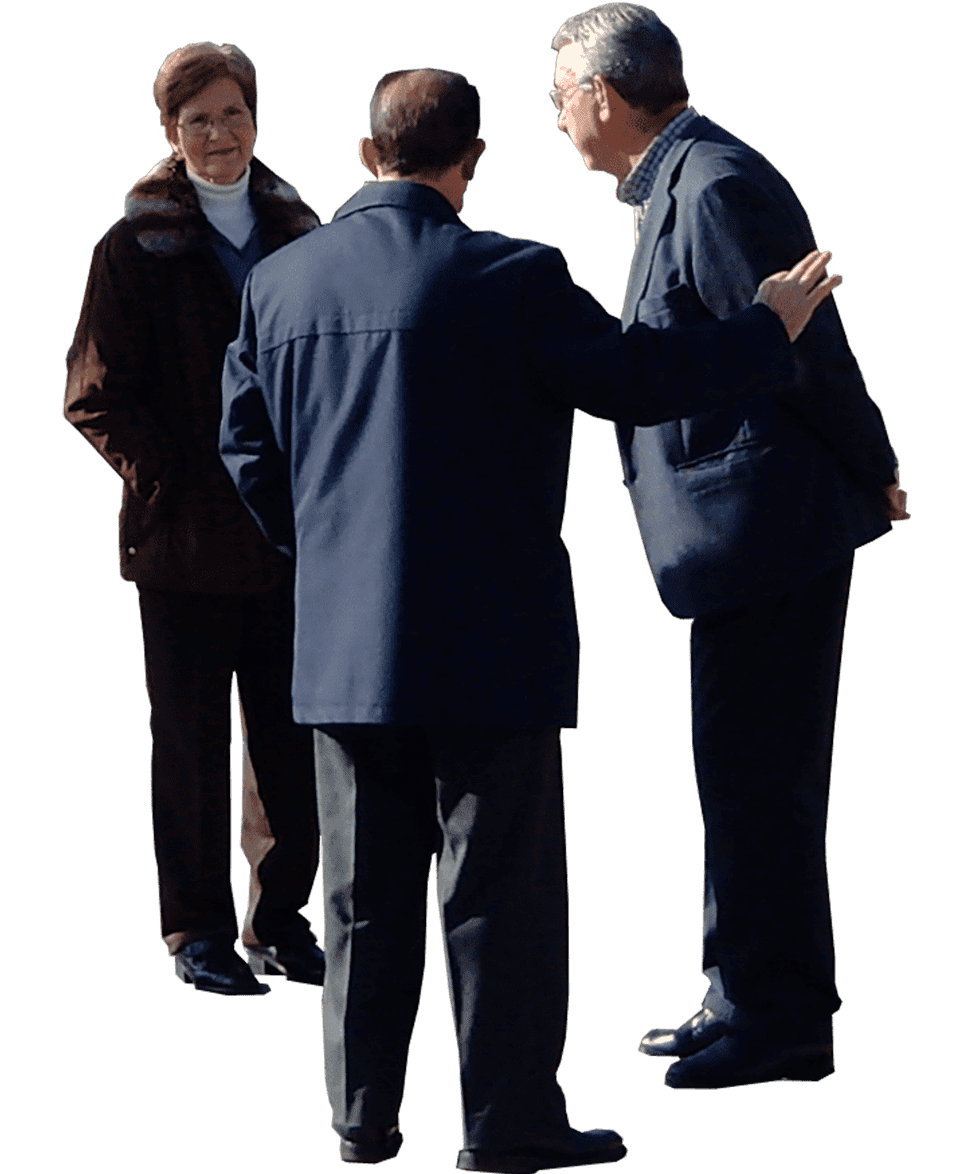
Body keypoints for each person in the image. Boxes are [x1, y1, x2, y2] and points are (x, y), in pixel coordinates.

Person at [219, 68, 839, 1166]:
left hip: (344, 645)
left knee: (362, 895)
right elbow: (639, 379)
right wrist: (766, 328)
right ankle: (508, 1125)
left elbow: (245, 449)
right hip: (492, 642)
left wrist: (326, 557)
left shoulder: (279, 283)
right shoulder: (515, 275)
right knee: (497, 892)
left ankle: (363, 1118)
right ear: (472, 159)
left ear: (368, 155)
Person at [549, 4, 907, 1090]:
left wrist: (873, 462)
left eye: (560, 96)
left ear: (603, 95)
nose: (557, 118)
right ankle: (739, 994)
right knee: (738, 772)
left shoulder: (713, 185)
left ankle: (780, 1019)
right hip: (738, 541)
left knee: (763, 778)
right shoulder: (677, 181)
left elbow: (806, 346)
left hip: (770, 531)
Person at [64, 42, 326, 996]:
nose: (220, 134)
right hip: (181, 546)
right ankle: (198, 931)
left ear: (257, 121)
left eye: (234, 114)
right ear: (171, 134)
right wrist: (171, 481)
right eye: (198, 119)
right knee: (189, 747)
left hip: (291, 537)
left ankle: (280, 922)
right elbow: (93, 395)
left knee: (293, 744)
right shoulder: (132, 249)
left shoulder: (304, 235)